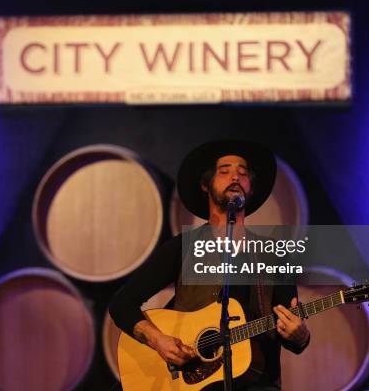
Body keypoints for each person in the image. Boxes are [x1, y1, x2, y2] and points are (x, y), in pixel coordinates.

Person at [109, 140, 310, 390]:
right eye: (224, 171)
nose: (235, 175)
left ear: (251, 188)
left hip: (255, 381)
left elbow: (289, 331)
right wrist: (158, 340)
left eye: (243, 172)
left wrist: (300, 336)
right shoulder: (182, 247)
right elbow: (122, 304)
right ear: (205, 185)